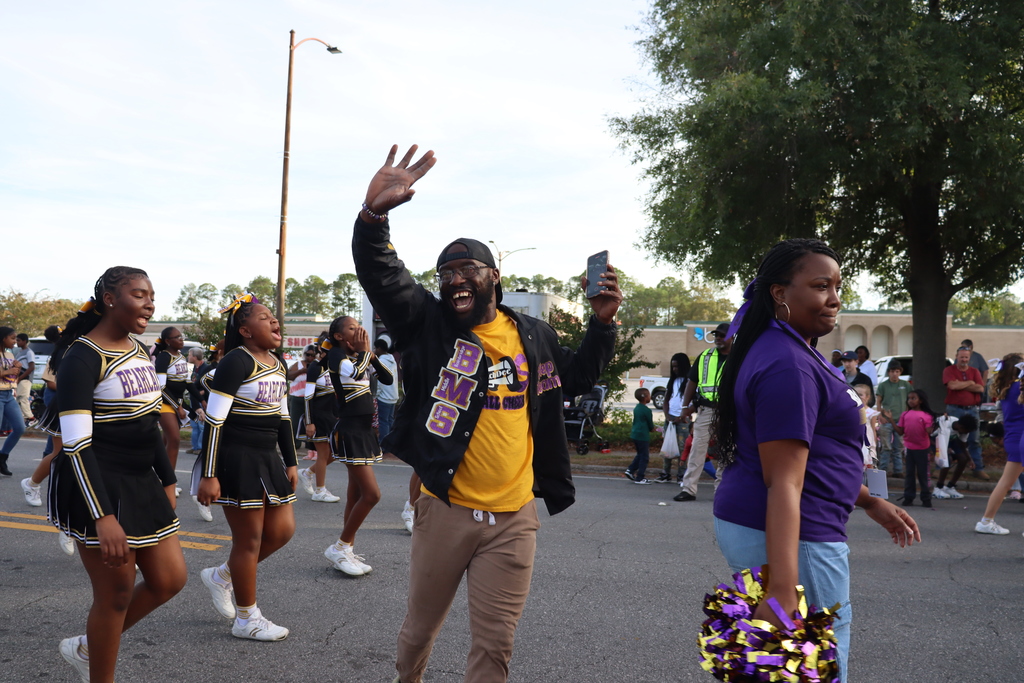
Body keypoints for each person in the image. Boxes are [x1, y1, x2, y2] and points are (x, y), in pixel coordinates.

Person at [351, 145, 619, 683]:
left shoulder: (531, 333)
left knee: (495, 647)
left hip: (514, 519)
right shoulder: (426, 324)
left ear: (493, 276)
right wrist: (372, 219)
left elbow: (576, 378)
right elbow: (383, 276)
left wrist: (604, 324)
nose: (454, 279)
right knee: (420, 632)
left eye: (466, 268)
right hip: (445, 510)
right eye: (445, 272)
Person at [712, 238, 920, 682]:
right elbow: (784, 480)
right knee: (812, 664)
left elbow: (815, 455)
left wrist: (866, 500)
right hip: (798, 531)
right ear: (780, 293)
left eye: (837, 286)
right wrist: (785, 589)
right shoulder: (787, 362)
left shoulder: (790, 347)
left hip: (792, 521)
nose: (835, 298)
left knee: (781, 666)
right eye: (821, 285)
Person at [49, 267, 187, 683]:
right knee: (116, 595)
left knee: (169, 579)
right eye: (139, 294)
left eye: (151, 295)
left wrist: (167, 479)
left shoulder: (140, 350)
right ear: (110, 299)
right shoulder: (82, 355)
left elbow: (149, 425)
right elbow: (75, 444)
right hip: (95, 483)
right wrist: (102, 516)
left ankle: (88, 646)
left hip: (140, 478)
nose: (150, 303)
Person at [195, 293, 298, 642]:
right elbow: (215, 420)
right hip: (237, 458)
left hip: (268, 457)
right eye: (265, 317)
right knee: (249, 540)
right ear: (245, 330)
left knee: (282, 531)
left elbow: (283, 417)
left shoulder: (277, 363)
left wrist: (292, 460)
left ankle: (222, 575)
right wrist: (209, 474)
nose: (274, 322)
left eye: (274, 317)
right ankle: (246, 618)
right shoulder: (237, 361)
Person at [321, 316, 394, 575]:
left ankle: (347, 549)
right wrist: (365, 354)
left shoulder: (359, 358)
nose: (359, 330)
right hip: (350, 430)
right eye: (352, 328)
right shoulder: (336, 356)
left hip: (364, 431)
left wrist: (371, 356)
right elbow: (353, 374)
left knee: (355, 494)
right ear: (340, 336)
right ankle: (340, 547)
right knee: (372, 495)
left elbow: (386, 379)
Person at [675, 323, 732, 501]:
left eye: (722, 335)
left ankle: (722, 490)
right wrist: (685, 407)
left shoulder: (740, 356)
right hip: (707, 409)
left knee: (727, 451)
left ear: (732, 336)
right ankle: (689, 489)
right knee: (697, 448)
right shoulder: (706, 356)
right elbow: (692, 381)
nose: (718, 338)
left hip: (730, 411)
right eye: (716, 335)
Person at [973, 355, 1024, 535]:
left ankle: (986, 521)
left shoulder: (1004, 391)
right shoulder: (1020, 387)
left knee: (1004, 484)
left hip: (1012, 439)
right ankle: (986, 521)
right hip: (1021, 438)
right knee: (1005, 483)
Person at [297, 341, 342, 503]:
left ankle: (307, 473)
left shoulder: (333, 367)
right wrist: (309, 422)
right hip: (317, 417)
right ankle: (320, 490)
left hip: (331, 417)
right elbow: (308, 397)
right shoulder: (315, 367)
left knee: (336, 453)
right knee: (323, 454)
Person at [943, 346, 988, 479]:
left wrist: (960, 384)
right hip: (953, 409)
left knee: (974, 439)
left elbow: (980, 388)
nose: (964, 359)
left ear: (969, 358)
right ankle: (942, 467)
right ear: (956, 356)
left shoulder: (974, 371)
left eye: (966, 357)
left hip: (971, 409)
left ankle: (978, 469)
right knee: (947, 439)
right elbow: (951, 385)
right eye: (961, 357)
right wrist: (969, 382)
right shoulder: (948, 370)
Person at [152, 327, 189, 477]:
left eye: (181, 336)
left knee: (166, 442)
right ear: (168, 341)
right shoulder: (164, 357)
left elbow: (188, 383)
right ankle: (169, 480)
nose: (181, 339)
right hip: (165, 404)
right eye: (177, 337)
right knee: (174, 440)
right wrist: (178, 407)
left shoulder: (182, 357)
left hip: (177, 402)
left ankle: (159, 475)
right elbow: (161, 387)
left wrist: (200, 403)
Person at [894, 389, 937, 507]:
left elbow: (929, 431)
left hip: (922, 448)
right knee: (909, 474)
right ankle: (908, 497)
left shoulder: (926, 416)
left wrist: (934, 424)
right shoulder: (905, 414)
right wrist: (892, 421)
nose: (910, 401)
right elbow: (900, 431)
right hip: (909, 448)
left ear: (920, 401)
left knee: (923, 474)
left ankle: (926, 498)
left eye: (913, 398)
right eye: (909, 398)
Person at [656, 352, 690, 482]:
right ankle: (666, 473)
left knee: (682, 449)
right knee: (667, 447)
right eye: (673, 367)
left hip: (683, 421)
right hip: (670, 419)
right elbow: (666, 400)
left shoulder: (690, 381)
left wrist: (682, 417)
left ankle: (681, 475)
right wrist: (667, 415)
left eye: (677, 366)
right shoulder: (673, 381)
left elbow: (693, 403)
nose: (675, 369)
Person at [875, 360, 911, 477]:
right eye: (892, 371)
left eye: (897, 371)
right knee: (886, 447)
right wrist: (880, 415)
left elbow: (909, 401)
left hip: (900, 421)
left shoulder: (906, 385)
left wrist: (907, 415)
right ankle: (883, 470)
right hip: (886, 420)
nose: (894, 374)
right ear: (888, 372)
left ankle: (898, 471)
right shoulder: (883, 385)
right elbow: (879, 401)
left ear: (900, 372)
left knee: (898, 447)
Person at [0, 326, 27, 476]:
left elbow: (12, 377)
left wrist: (16, 369)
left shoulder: (10, 355)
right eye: (12, 338)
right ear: (3, 338)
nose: (15, 342)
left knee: (19, 427)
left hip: (8, 395)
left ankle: (2, 456)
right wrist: (8, 371)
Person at [932, 414, 974, 500]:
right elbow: (929, 436)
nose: (965, 433)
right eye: (964, 431)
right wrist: (942, 448)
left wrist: (970, 459)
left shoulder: (965, 429)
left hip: (950, 441)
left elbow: (963, 446)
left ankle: (950, 487)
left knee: (963, 459)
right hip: (935, 440)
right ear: (960, 426)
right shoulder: (945, 423)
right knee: (947, 459)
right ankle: (938, 488)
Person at [287, 344, 315, 452]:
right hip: (297, 397)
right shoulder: (298, 364)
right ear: (304, 354)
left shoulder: (316, 365)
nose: (310, 358)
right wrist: (301, 371)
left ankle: (310, 445)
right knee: (295, 422)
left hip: (310, 398)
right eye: (308, 355)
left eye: (313, 355)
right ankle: (295, 444)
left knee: (310, 422)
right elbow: (288, 375)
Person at [624, 387, 655, 484]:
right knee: (644, 457)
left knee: (640, 454)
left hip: (635, 434)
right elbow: (650, 425)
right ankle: (640, 477)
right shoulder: (647, 411)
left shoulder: (637, 408)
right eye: (649, 395)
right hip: (643, 435)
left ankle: (630, 470)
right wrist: (656, 429)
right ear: (645, 397)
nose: (650, 397)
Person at [375, 338, 399, 441]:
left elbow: (380, 382)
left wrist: (376, 395)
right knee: (390, 420)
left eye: (375, 348)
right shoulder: (392, 360)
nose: (375, 350)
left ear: (379, 348)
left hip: (384, 397)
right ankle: (390, 444)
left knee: (383, 422)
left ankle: (383, 445)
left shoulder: (381, 362)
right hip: (393, 396)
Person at [185, 346, 207, 455]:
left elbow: (209, 384)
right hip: (194, 399)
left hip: (201, 400)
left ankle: (200, 447)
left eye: (189, 355)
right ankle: (194, 446)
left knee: (201, 425)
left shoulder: (206, 368)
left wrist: (201, 393)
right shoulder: (195, 368)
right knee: (194, 424)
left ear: (195, 356)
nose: (188, 357)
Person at [14, 332, 36, 424]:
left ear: (24, 341)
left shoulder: (29, 352)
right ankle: (22, 419)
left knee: (23, 398)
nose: (17, 342)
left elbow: (31, 367)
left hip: (25, 379)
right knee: (17, 398)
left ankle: (31, 418)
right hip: (19, 378)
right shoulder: (19, 352)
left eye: (18, 340)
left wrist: (21, 378)